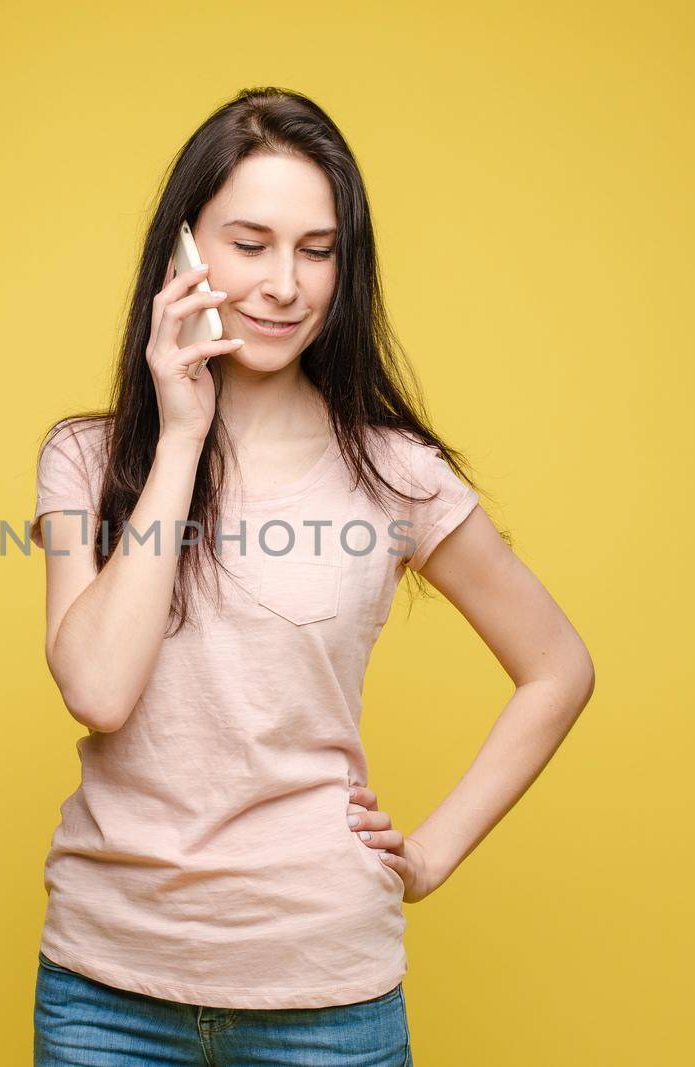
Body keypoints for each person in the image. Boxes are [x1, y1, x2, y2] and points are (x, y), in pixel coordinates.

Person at [29, 87, 595, 1066]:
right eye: (249, 243)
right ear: (183, 251)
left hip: (323, 994)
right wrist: (182, 437)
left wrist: (429, 853)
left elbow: (557, 666)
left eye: (317, 248)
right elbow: (98, 689)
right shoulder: (85, 458)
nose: (285, 283)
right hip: (102, 989)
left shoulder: (395, 473)